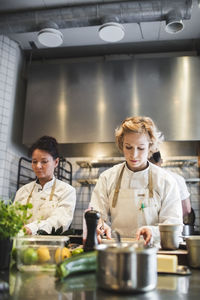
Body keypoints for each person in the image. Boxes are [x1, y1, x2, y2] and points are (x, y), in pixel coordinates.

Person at [89, 116, 183, 246]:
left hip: (152, 251)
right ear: (122, 144)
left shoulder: (166, 181)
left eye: (141, 148)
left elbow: (173, 224)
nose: (134, 155)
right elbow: (96, 215)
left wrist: (153, 231)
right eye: (128, 147)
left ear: (150, 146)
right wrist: (100, 226)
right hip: (117, 249)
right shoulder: (107, 177)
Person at [14, 136, 76, 235]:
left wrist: (32, 228)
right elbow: (14, 220)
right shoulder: (22, 191)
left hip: (50, 247)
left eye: (44, 161)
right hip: (23, 247)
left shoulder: (67, 191)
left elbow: (59, 221)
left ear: (56, 162)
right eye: (34, 162)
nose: (38, 166)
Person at [149, 151, 191, 217]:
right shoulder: (177, 178)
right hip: (171, 225)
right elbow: (187, 209)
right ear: (161, 161)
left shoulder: (139, 179)